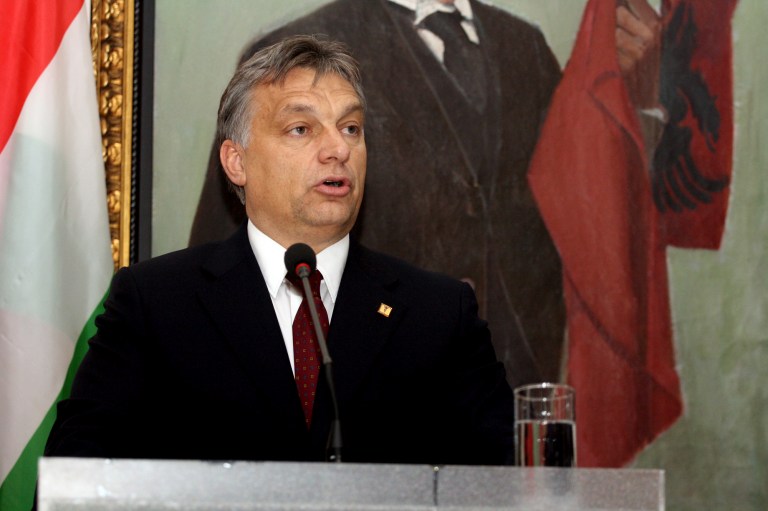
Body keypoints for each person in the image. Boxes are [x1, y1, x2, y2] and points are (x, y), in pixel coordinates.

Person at [44, 35, 516, 465]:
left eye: (351, 128)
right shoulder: (155, 304)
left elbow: (510, 483)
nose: (338, 149)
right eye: (301, 129)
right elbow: (73, 476)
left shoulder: (439, 314)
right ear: (237, 161)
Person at [189, 0, 661, 389]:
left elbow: (596, 199)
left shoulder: (525, 46)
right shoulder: (293, 52)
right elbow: (220, 276)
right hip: (364, 405)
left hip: (513, 401)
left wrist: (649, 93)